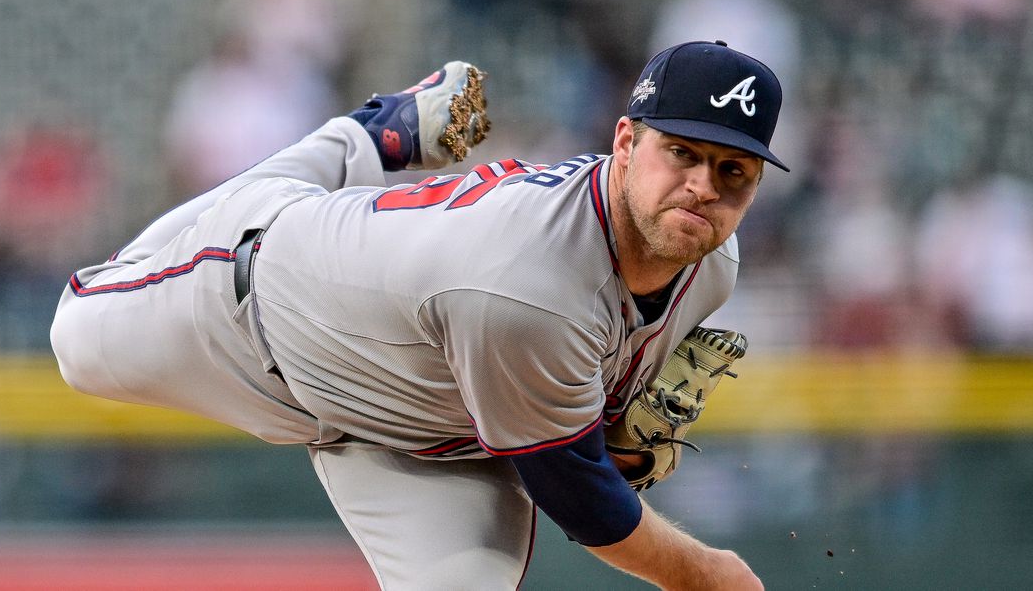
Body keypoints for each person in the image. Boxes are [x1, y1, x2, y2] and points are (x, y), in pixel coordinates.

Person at [51, 41, 788, 590]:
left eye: (732, 171)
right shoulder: (526, 285)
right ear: (626, 143)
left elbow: (587, 447)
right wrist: (706, 572)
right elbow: (579, 498)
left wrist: (617, 445)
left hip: (425, 444)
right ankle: (367, 137)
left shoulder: (711, 269)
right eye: (682, 152)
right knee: (73, 342)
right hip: (256, 315)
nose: (702, 186)